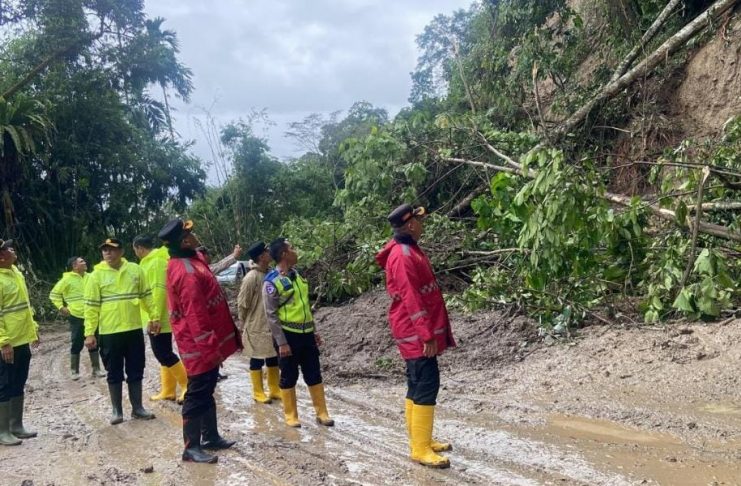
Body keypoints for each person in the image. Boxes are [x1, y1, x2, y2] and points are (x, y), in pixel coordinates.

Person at [375, 204, 456, 469]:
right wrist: (426, 335)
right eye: (420, 221)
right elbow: (411, 298)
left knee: (416, 382)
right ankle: (420, 448)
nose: (422, 225)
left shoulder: (406, 249)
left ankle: (421, 439)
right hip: (414, 332)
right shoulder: (402, 255)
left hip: (413, 330)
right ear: (410, 225)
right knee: (426, 383)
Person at [158, 219, 242, 464]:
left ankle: (210, 436)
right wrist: (210, 349)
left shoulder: (192, 261)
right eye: (190, 233)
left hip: (202, 343)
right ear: (184, 241)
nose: (195, 236)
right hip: (197, 345)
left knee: (206, 388)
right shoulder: (186, 271)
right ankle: (191, 447)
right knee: (198, 391)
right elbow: (195, 314)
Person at [84, 238, 156, 425]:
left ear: (122, 251)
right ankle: (117, 410)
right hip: (109, 333)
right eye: (105, 250)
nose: (108, 253)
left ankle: (138, 408)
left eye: (112, 249)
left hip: (133, 330)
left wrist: (154, 317)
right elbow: (91, 307)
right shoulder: (95, 276)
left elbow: (147, 296)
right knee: (113, 371)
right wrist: (89, 333)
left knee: (136, 368)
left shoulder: (135, 270)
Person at [263, 238, 333, 428]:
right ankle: (291, 415)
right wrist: (282, 342)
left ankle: (322, 413)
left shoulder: (298, 276)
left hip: (306, 333)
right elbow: (271, 315)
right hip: (288, 336)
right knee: (288, 375)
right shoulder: (271, 281)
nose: (296, 251)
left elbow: (305, 307)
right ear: (284, 254)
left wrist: (314, 330)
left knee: (314, 373)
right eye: (292, 248)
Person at [132, 235, 188, 403]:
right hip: (157, 315)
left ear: (139, 248)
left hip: (158, 317)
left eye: (135, 249)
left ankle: (187, 384)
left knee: (163, 353)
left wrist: (154, 317)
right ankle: (168, 390)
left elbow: (157, 291)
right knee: (163, 353)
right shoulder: (152, 261)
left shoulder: (155, 263)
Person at [0, 239, 39, 446]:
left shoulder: (15, 273)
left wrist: (34, 329)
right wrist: (3, 342)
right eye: (7, 248)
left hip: (22, 339)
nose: (12, 249)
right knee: (4, 385)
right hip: (7, 343)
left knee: (18, 382)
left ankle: (16, 426)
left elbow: (24, 306)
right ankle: (3, 431)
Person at [49, 256, 106, 380]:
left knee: (94, 341)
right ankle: (74, 371)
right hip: (76, 315)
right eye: (81, 262)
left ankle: (96, 369)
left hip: (91, 315)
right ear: (74, 266)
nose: (85, 263)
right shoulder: (66, 280)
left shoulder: (91, 277)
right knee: (77, 343)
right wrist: (61, 307)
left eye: (84, 261)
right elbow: (54, 294)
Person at [237, 241, 280, 404]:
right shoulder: (251, 277)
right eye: (267, 252)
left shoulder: (271, 274)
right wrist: (244, 322)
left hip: (272, 324)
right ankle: (258, 391)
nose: (270, 254)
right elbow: (243, 303)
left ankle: (274, 389)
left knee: (273, 357)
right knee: (256, 358)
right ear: (262, 257)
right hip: (256, 324)